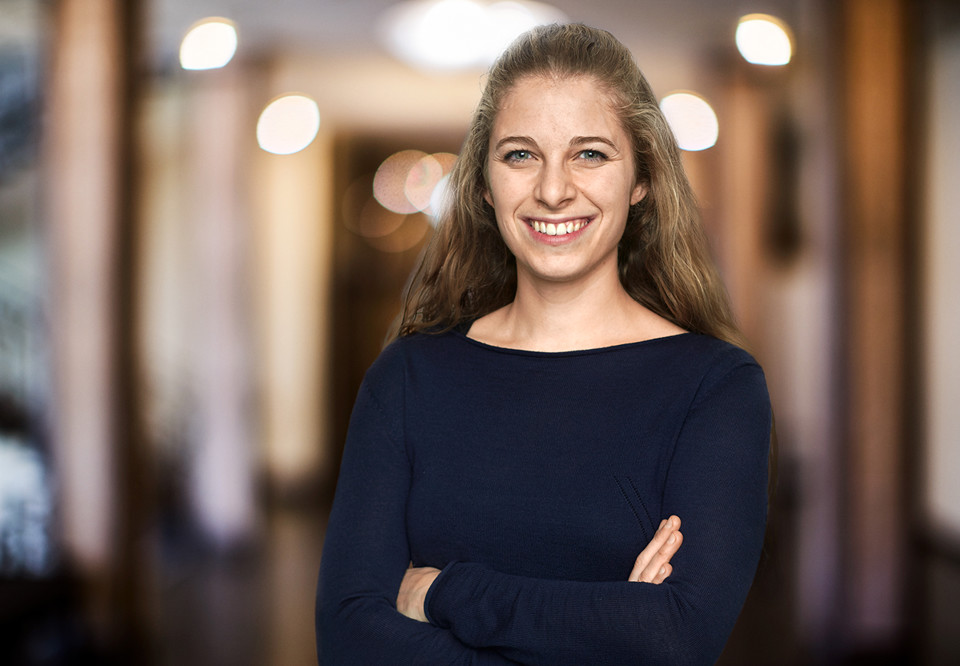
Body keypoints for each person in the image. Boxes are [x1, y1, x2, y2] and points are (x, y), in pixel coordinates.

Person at [316, 23, 771, 665]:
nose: (553, 190)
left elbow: (676, 636)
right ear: (482, 185)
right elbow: (347, 638)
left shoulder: (716, 387)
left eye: (590, 154)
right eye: (520, 155)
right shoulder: (407, 378)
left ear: (641, 180)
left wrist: (443, 591)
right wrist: (608, 626)